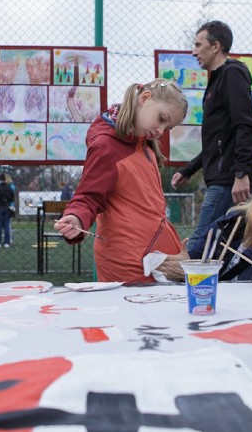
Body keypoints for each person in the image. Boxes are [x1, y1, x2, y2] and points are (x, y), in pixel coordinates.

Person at [55, 79, 188, 282]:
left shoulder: (142, 142)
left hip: (151, 261)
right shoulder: (107, 146)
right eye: (161, 119)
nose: (161, 131)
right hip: (128, 265)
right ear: (144, 98)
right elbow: (88, 196)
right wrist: (76, 217)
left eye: (167, 128)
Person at [170, 20, 252, 251]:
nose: (193, 51)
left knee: (199, 246)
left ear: (216, 46)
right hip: (224, 176)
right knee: (231, 248)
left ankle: (180, 286)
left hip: (229, 179)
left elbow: (246, 126)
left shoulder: (232, 74)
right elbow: (219, 141)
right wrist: (188, 169)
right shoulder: (216, 80)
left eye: (198, 44)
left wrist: (241, 172)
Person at [0, 173, 15, 247]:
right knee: (7, 225)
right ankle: (7, 242)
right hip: (7, 207)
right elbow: (12, 198)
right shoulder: (9, 187)